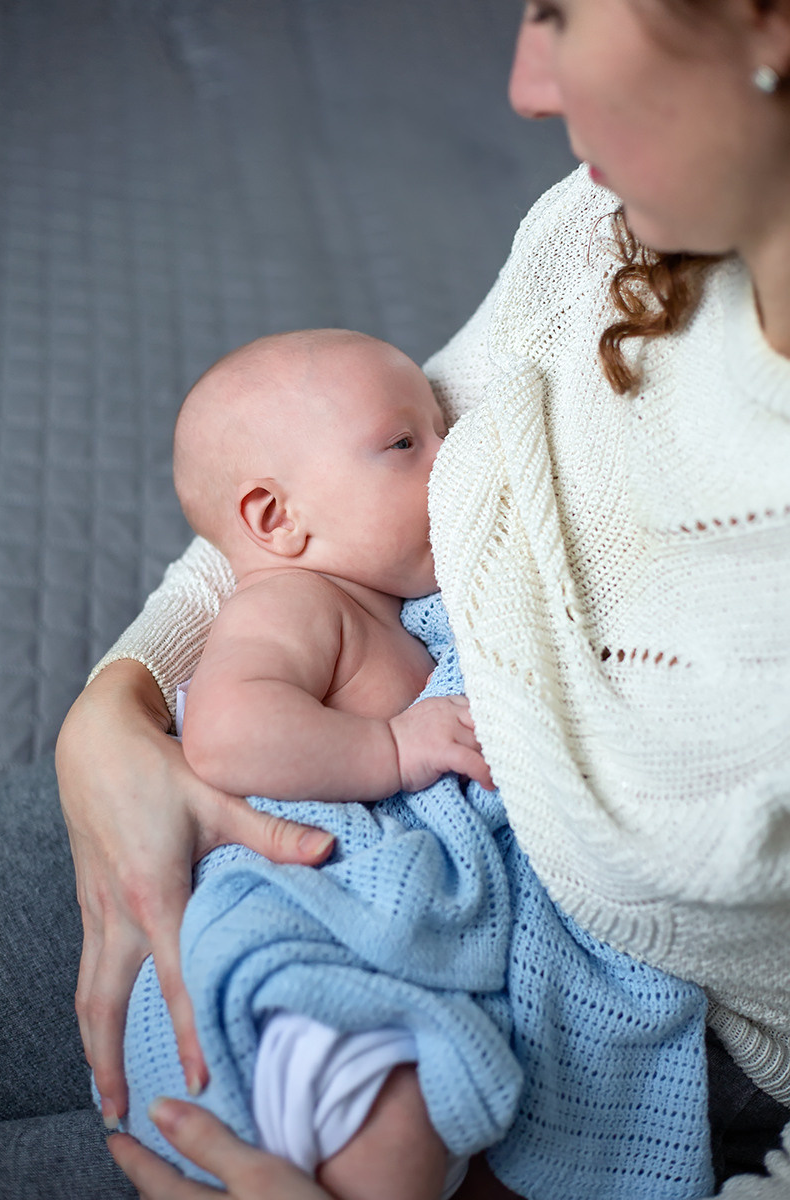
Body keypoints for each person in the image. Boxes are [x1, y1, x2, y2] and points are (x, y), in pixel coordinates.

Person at [54, 0, 790, 1196]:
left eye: (559, 12)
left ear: (765, 24)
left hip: (561, 1008)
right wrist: (111, 713)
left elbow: (345, 491)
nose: (521, 86)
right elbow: (296, 523)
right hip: (299, 849)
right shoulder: (602, 233)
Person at [120, 326, 492, 1200]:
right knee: (392, 1122)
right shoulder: (293, 603)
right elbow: (227, 735)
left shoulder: (369, 604)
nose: (451, 453)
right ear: (274, 519)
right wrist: (393, 747)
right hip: (294, 960)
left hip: (359, 961)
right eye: (406, 443)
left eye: (441, 427)